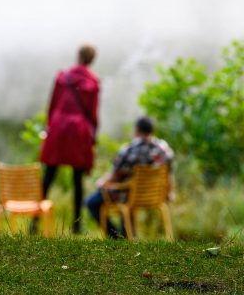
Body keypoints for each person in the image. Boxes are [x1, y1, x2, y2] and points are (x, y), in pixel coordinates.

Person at [38, 44, 100, 234]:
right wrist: (93, 134)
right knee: (77, 179)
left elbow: (53, 105)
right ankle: (76, 225)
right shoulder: (93, 83)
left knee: (48, 175)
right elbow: (92, 114)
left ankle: (34, 220)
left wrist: (50, 126)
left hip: (58, 127)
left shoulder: (62, 77)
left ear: (78, 56)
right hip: (78, 131)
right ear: (92, 60)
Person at [86, 116, 174, 238]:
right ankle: (129, 236)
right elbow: (169, 174)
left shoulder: (129, 150)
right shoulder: (164, 149)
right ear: (151, 130)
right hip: (156, 196)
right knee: (126, 195)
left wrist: (101, 182)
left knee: (91, 202)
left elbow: (114, 176)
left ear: (137, 130)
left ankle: (116, 238)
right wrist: (169, 192)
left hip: (129, 195)